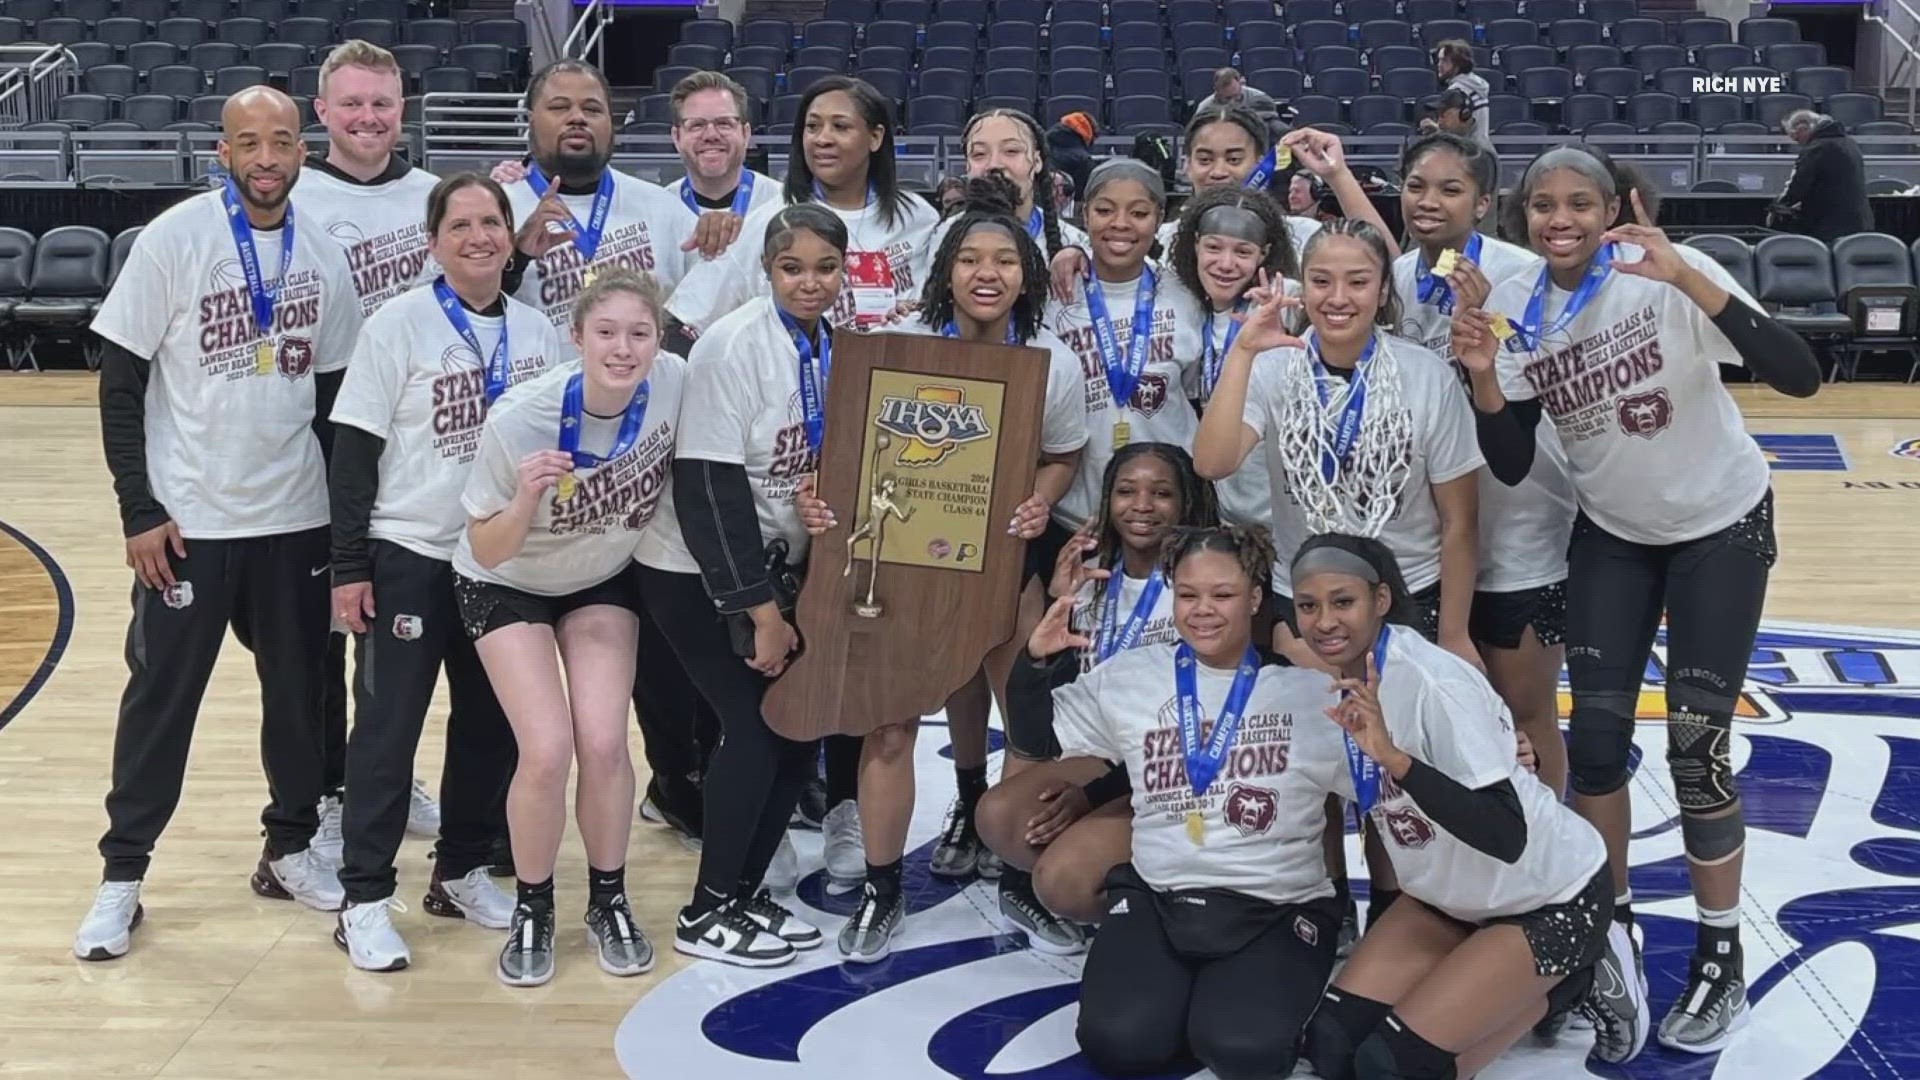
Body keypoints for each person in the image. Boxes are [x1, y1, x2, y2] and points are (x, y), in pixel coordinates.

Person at [1451, 143, 1821, 1058]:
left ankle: (1719, 953)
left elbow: (1801, 375)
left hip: (1718, 526)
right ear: (1523, 215)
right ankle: (1607, 938)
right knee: (1599, 747)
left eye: (1581, 201)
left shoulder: (1668, 272)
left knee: (1698, 750)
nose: (1561, 219)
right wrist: (1486, 376)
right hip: (1615, 533)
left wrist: (1694, 284)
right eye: (1544, 205)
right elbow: (1508, 457)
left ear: (1616, 204)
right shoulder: (1519, 305)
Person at [77, 86, 364, 960]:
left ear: (304, 151)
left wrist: (345, 534)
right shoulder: (175, 239)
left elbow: (333, 403)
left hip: (296, 520)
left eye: (282, 141)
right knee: (162, 700)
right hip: (191, 521)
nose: (267, 158)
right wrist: (139, 508)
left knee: (302, 698)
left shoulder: (322, 253)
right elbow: (120, 382)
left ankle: (289, 847)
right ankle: (122, 876)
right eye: (250, 142)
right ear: (224, 150)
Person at [809, 175, 1088, 961]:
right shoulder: (898, 345)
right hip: (902, 555)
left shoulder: (1050, 361)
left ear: (1026, 274)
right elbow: (848, 449)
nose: (987, 272)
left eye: (1004, 259)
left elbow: (1065, 453)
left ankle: (1019, 882)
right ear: (946, 271)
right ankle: (883, 889)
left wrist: (1040, 498)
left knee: (1026, 721)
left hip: (1005, 556)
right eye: (971, 258)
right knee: (893, 728)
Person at [326, 174, 565, 971]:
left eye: (491, 222)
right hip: (410, 552)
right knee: (389, 730)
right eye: (459, 224)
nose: (478, 236)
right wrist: (350, 566)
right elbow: (355, 453)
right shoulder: (397, 324)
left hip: (498, 561)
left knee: (489, 726)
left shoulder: (539, 333)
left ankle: (459, 870)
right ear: (433, 242)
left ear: (510, 234)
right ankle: (363, 897)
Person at [1287, 533, 1617, 1080]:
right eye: (1307, 606)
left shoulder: (1433, 682)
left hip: (1545, 898)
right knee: (1329, 1047)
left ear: (1382, 600)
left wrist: (1396, 760)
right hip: (1447, 899)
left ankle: (1572, 981)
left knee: (1391, 1066)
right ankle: (1496, 977)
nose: (1324, 622)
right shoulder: (1332, 685)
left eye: (1342, 602)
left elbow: (1506, 835)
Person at [1033, 525, 1347, 1080]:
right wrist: (1036, 666)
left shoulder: (1310, 693)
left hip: (1274, 906)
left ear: (1255, 598)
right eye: (1187, 594)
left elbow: (1394, 784)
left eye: (1222, 595)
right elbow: (1040, 738)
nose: (1203, 610)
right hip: (1161, 896)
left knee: (1242, 1050)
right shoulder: (1131, 677)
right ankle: (1183, 999)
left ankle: (1243, 997)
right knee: (1119, 1043)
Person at [454, 269, 685, 986]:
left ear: (659, 339)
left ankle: (608, 899)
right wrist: (526, 498)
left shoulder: (675, 382)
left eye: (639, 334)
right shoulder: (522, 416)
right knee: (549, 750)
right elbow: (487, 545)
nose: (624, 349)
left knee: (608, 741)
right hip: (505, 579)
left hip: (600, 575)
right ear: (577, 336)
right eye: (607, 333)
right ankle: (534, 905)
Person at [641, 204, 854, 969]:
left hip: (777, 566)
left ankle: (743, 890)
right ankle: (705, 910)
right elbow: (707, 491)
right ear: (766, 269)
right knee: (759, 727)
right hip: (696, 572)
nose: (810, 282)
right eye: (792, 268)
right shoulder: (732, 345)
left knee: (798, 734)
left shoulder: (834, 346)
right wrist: (759, 610)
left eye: (825, 268)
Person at [1192, 218, 1483, 662]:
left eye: (1358, 282)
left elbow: (1459, 521)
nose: (1338, 298)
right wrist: (1245, 352)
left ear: (1383, 290)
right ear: (1302, 287)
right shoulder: (1275, 368)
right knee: (1318, 729)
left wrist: (1455, 635)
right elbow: (1212, 464)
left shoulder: (1427, 375)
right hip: (1306, 598)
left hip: (1408, 592)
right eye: (1321, 281)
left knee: (1400, 732)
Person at [297, 34, 446, 869]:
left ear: (402, 111)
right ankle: (325, 789)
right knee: (322, 624)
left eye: (382, 104)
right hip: (315, 431)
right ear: (322, 111)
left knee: (392, 628)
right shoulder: (296, 197)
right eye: (351, 103)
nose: (367, 118)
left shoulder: (433, 196)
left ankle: (380, 775)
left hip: (416, 436)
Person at [1391, 132, 1572, 800]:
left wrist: (1483, 325)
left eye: (1449, 189)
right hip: (1430, 537)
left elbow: (1520, 411)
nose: (1429, 202)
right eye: (1417, 186)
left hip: (1516, 527)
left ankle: (1552, 867)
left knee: (1525, 716)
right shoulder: (1396, 280)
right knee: (1439, 725)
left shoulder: (1522, 275)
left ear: (1485, 202)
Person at [977, 443, 1222, 939]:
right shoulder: (1090, 579)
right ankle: (1132, 881)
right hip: (1108, 756)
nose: (1142, 505)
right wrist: (1057, 608)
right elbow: (1037, 730)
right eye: (1126, 491)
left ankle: (1172, 911)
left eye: (1162, 493)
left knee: (1064, 879)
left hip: (1178, 766)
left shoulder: (1203, 584)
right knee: (1000, 814)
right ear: (1107, 500)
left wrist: (1091, 795)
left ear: (1186, 504)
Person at [667, 75, 941, 337]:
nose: (822, 138)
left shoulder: (919, 217)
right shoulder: (767, 222)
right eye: (812, 127)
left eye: (840, 126)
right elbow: (686, 321)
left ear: (875, 137)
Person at [502, 60, 706, 342]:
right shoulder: (497, 210)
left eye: (592, 109)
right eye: (560, 107)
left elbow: (713, 307)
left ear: (612, 124)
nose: (577, 118)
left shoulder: (664, 210)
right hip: (534, 384)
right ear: (530, 120)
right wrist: (517, 257)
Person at [1165, 186, 1299, 529]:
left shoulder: (1287, 301)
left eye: (1243, 251)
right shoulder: (1191, 308)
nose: (1226, 264)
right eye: (1213, 247)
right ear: (1195, 244)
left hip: (1289, 519)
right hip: (1225, 513)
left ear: (1264, 254)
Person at [666, 70, 781, 218]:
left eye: (723, 123)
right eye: (697, 125)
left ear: (746, 133)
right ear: (676, 137)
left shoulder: (783, 205)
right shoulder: (658, 209)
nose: (711, 135)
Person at [1774, 109, 1874, 244]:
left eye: (1795, 137)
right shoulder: (1850, 143)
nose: (1798, 143)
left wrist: (1778, 207)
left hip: (1830, 227)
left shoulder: (1817, 148)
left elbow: (1799, 186)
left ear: (1803, 128)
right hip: (1859, 223)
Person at [1434, 40, 1494, 153]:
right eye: (1439, 60)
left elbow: (1454, 130)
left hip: (1467, 153)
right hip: (1484, 151)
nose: (1439, 65)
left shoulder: (1457, 90)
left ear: (1458, 64)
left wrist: (1433, 128)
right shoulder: (1477, 85)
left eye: (1445, 61)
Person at [1194, 66, 1280, 121]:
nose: (1232, 102)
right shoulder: (1205, 108)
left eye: (1236, 96)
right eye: (1227, 98)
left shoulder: (1260, 98)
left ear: (1241, 84)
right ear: (1216, 91)